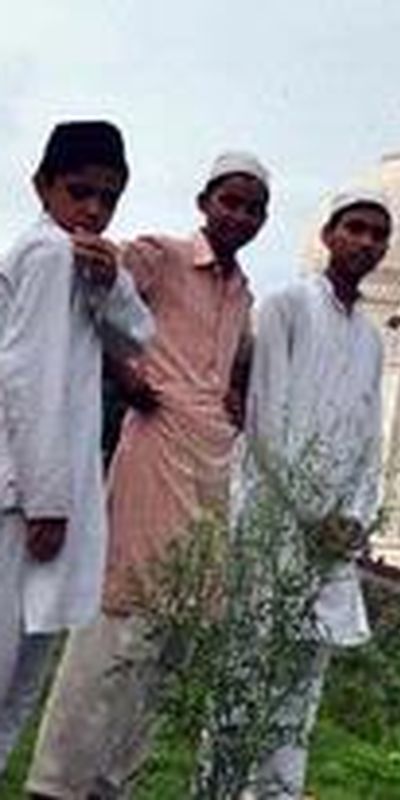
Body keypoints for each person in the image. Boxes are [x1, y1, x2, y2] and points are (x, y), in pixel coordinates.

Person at [24, 152, 270, 799]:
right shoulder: (158, 255)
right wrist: (124, 376)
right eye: (230, 202)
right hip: (153, 453)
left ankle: (113, 785)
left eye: (253, 208)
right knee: (115, 616)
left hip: (210, 469)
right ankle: (58, 782)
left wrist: (235, 394)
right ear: (204, 201)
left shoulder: (244, 293)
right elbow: (87, 293)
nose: (239, 216)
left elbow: (235, 364)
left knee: (171, 632)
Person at [0, 120, 155, 771]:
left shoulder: (84, 260)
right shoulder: (44, 255)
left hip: (46, 503)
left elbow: (137, 337)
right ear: (43, 186)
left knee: (19, 683)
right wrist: (46, 501)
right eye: (79, 192)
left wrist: (111, 279)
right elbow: (27, 378)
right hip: (25, 504)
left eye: (108, 198)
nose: (93, 209)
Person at [236, 188, 390, 799]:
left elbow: (368, 439)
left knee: (301, 686)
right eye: (356, 229)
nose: (367, 243)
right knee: (244, 675)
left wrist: (355, 519)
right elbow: (265, 419)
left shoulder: (372, 339)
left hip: (331, 542)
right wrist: (309, 512)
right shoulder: (286, 307)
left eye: (379, 235)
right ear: (327, 236)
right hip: (273, 519)